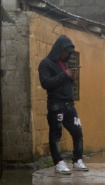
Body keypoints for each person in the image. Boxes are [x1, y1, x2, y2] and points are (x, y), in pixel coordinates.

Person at [38, 35, 88, 174]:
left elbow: (63, 83)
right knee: (56, 134)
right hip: (56, 105)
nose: (67, 54)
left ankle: (77, 160)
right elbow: (46, 83)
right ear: (58, 49)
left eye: (69, 53)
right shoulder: (45, 63)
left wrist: (70, 78)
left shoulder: (64, 63)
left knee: (77, 132)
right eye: (65, 51)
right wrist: (64, 75)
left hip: (69, 105)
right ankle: (58, 162)